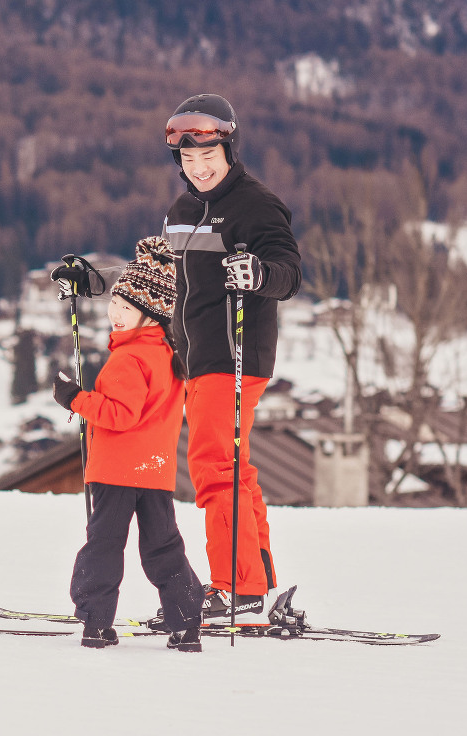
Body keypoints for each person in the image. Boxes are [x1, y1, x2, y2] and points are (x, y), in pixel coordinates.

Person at [161, 93, 302, 621]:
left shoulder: (255, 204)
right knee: (233, 468)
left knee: (214, 466)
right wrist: (95, 280)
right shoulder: (181, 212)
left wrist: (259, 274)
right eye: (188, 159)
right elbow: (163, 280)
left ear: (228, 149)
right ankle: (253, 578)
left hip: (235, 355)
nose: (197, 168)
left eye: (207, 157)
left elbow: (288, 270)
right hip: (195, 359)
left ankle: (234, 586)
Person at [52, 236, 205, 652]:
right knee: (163, 546)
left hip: (116, 470)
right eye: (114, 305)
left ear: (151, 314)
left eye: (125, 308)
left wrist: (74, 399)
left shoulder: (128, 359)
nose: (114, 315)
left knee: (104, 544)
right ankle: (187, 623)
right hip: (154, 471)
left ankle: (96, 623)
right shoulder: (170, 358)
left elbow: (120, 415)